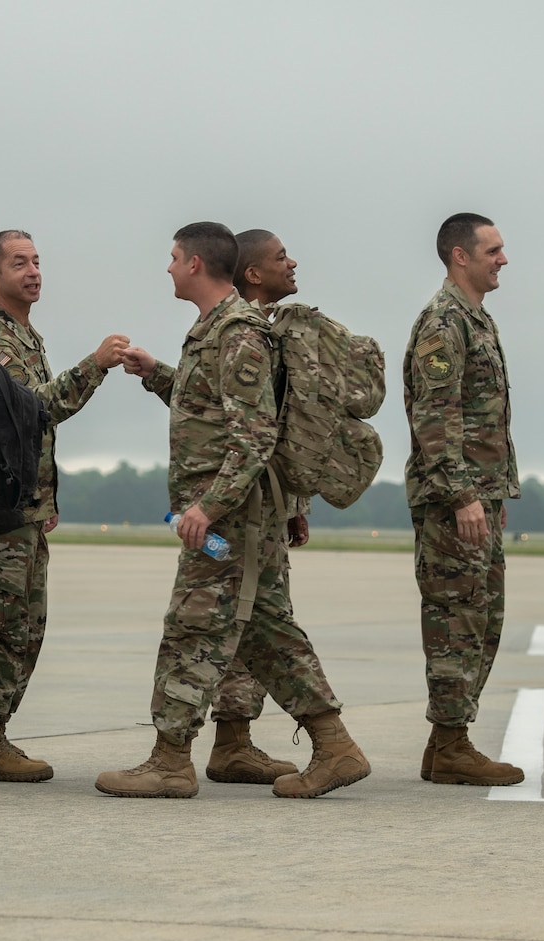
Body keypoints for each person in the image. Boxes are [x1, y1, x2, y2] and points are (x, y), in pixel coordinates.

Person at [103, 222, 368, 799]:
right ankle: (336, 747)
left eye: (173, 257)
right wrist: (156, 376)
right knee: (265, 631)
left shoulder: (239, 333)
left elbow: (254, 436)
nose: (169, 267)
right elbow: (210, 410)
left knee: (192, 626)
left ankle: (170, 761)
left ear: (196, 264)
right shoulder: (213, 331)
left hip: (230, 523)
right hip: (234, 521)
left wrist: (206, 507)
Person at [0, 230, 127, 782]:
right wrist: (94, 364)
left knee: (26, 629)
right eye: (19, 263)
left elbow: (27, 439)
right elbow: (32, 412)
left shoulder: (26, 336)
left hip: (24, 513)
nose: (33, 272)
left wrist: (44, 498)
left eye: (36, 262)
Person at [401, 214, 526, 787]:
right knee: (457, 619)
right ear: (460, 255)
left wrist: (487, 493)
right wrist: (460, 496)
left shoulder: (476, 320)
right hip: (456, 501)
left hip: (479, 495)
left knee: (481, 617)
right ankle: (451, 743)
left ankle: (445, 743)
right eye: (493, 250)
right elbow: (434, 415)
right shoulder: (443, 323)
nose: (503, 259)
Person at [198, 228, 316, 786]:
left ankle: (233, 741)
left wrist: (296, 502)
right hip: (235, 513)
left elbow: (274, 427)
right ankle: (231, 741)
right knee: (243, 617)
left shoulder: (255, 332)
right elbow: (247, 428)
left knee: (248, 618)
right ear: (252, 273)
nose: (291, 263)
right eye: (279, 257)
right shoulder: (243, 333)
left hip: (256, 508)